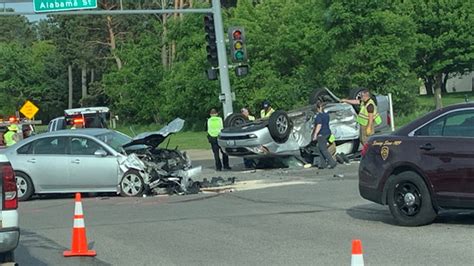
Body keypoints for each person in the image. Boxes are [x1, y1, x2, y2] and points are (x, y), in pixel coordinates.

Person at [312, 101, 337, 169]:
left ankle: (332, 162)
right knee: (320, 149)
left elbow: (319, 125)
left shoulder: (318, 116)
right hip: (328, 133)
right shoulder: (326, 115)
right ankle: (322, 164)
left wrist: (315, 134)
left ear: (318, 108)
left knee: (323, 149)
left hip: (321, 134)